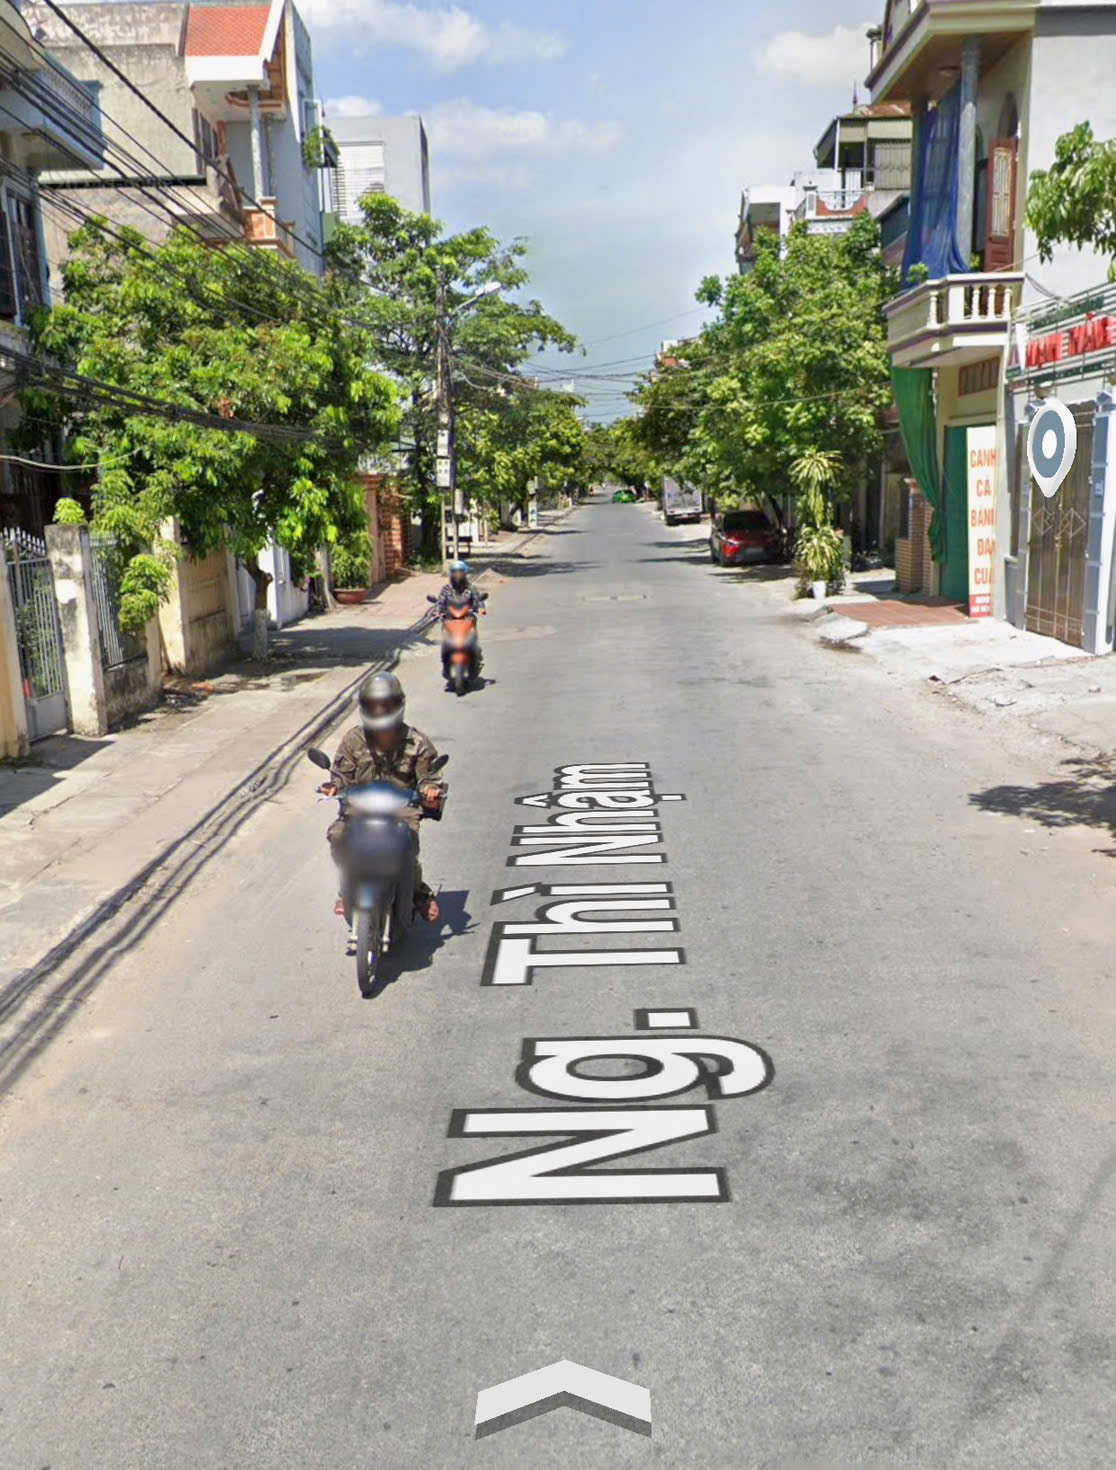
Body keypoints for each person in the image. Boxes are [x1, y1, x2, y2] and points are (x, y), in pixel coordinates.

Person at [320, 671, 445, 922]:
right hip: (360, 807)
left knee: (406, 846)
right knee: (338, 835)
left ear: (398, 705)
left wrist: (430, 789)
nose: (379, 712)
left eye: (385, 706)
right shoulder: (353, 739)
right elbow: (341, 774)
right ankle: (348, 888)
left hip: (402, 808)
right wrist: (333, 786)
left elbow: (430, 777)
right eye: (373, 706)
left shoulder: (416, 742)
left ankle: (419, 893)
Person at [432, 559, 485, 681]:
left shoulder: (471, 588)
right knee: (446, 643)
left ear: (465, 573)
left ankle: (476, 658)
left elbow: (478, 600)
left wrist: (481, 608)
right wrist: (437, 612)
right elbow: (440, 603)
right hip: (449, 620)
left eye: (460, 572)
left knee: (473, 643)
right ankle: (446, 664)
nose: (457, 575)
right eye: (455, 572)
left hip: (468, 620)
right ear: (451, 574)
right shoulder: (446, 589)